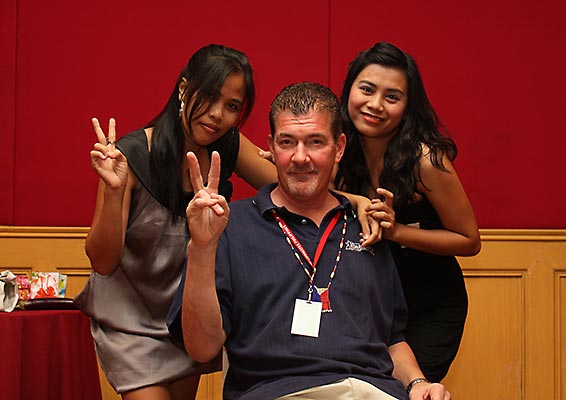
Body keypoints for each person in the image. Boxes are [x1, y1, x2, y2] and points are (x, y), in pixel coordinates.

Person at [169, 82, 452, 399]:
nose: (300, 157)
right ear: (272, 148)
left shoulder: (367, 226)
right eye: (287, 142)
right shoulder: (228, 226)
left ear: (339, 148)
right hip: (278, 392)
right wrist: (202, 248)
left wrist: (418, 383)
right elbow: (202, 348)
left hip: (372, 391)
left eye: (315, 142)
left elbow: (392, 339)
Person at [74, 44, 277, 400]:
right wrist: (114, 191)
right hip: (129, 320)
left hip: (183, 319)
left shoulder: (227, 145)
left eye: (232, 106)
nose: (217, 114)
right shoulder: (131, 155)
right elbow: (102, 262)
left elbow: (292, 188)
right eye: (209, 96)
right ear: (184, 88)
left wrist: (351, 197)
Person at [334, 42, 481, 383]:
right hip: (366, 307)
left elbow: (469, 240)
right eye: (366, 89)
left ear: (407, 106)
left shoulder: (425, 160)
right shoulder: (339, 149)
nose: (375, 104)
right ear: (349, 90)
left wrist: (397, 232)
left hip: (429, 307)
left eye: (392, 96)